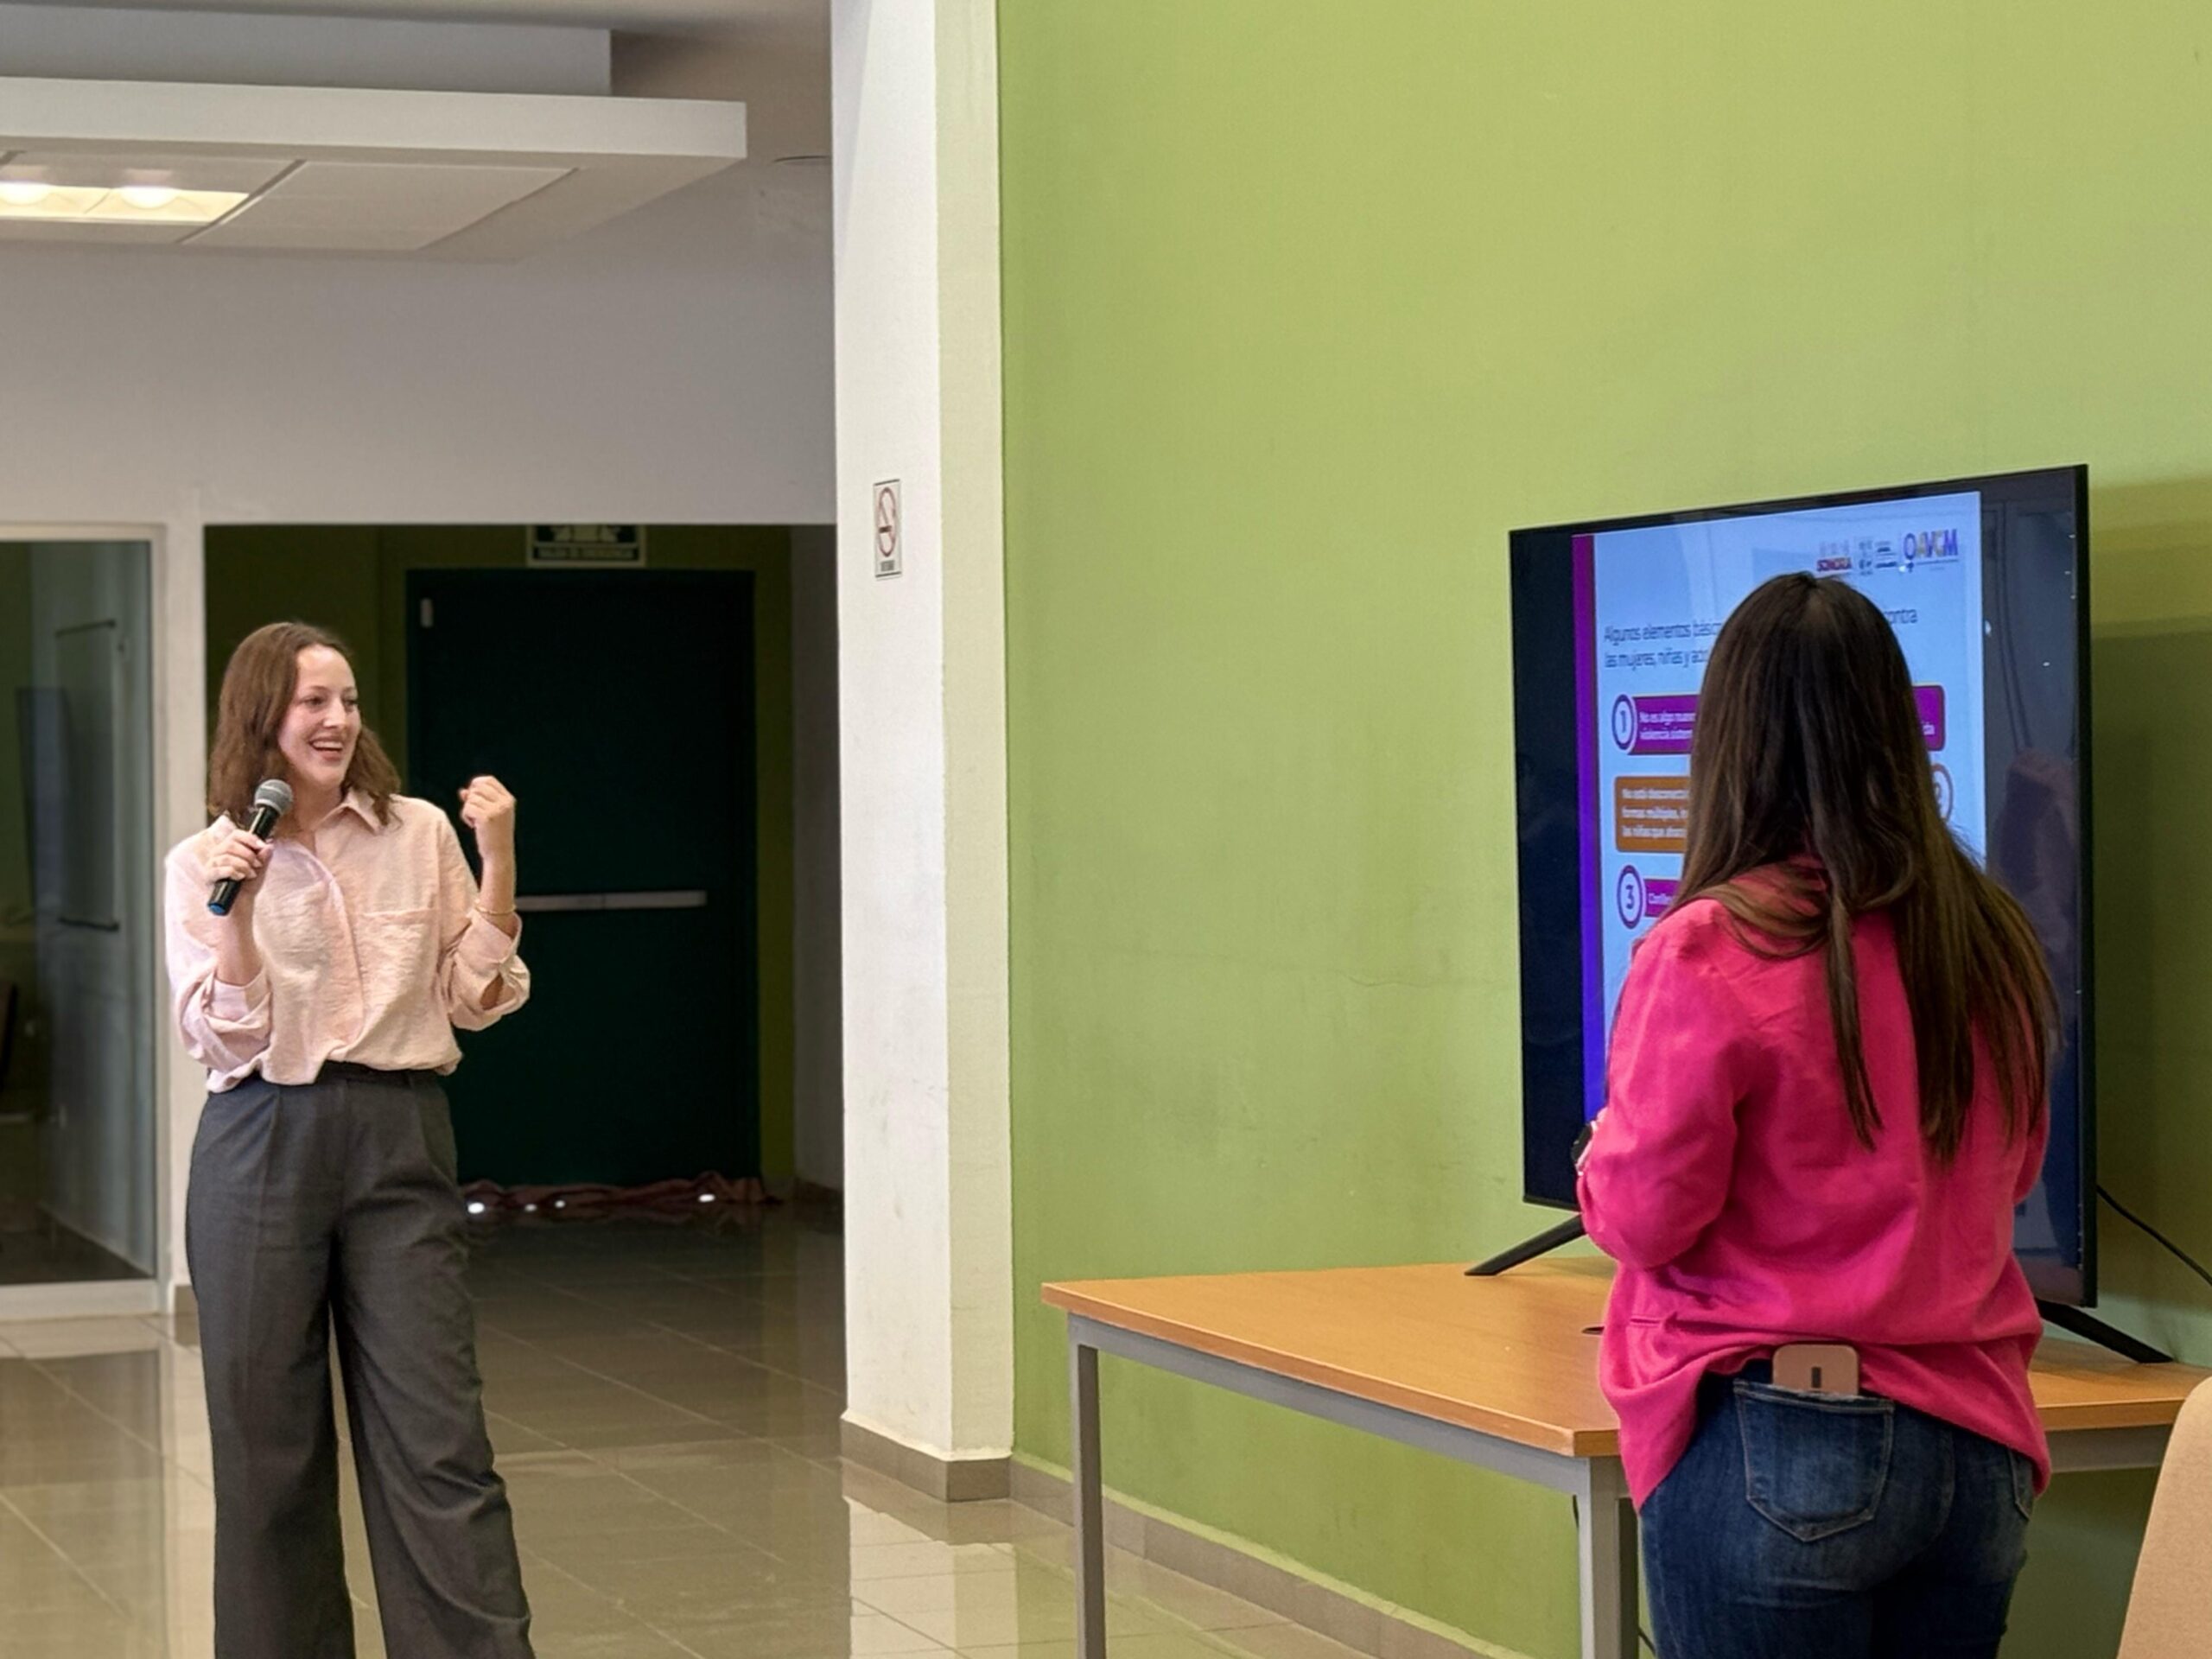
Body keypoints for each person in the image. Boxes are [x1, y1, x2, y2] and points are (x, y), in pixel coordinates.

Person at [1577, 575, 2054, 1659]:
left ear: (1730, 745)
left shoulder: (1706, 947)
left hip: (1777, 1446)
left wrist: (1598, 1156)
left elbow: (1646, 1219)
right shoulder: (1990, 944)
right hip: (1976, 1448)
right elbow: (2008, 1174)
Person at [164, 621, 536, 1659]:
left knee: (440, 1441)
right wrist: (234, 909)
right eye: (312, 703)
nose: (337, 721)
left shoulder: (416, 833)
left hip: (397, 1133)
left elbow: (475, 995)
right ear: (262, 719)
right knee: (267, 1455)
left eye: (349, 700)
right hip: (259, 1142)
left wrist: (496, 858)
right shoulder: (201, 861)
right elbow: (221, 1029)